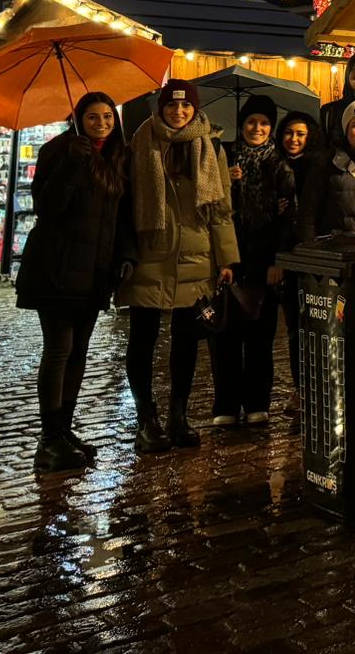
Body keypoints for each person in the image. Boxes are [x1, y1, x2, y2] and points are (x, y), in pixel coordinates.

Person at [16, 92, 135, 472]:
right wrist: (72, 165)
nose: (101, 123)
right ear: (78, 119)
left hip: (96, 271)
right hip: (57, 267)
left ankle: (64, 431)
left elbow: (122, 215)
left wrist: (124, 258)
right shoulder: (59, 151)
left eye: (107, 117)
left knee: (79, 353)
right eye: (92, 117)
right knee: (58, 351)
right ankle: (48, 440)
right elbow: (46, 207)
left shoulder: (118, 155)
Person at [120, 81, 238, 452]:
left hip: (196, 255)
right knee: (142, 339)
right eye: (172, 106)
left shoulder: (210, 146)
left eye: (186, 107)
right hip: (150, 252)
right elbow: (126, 202)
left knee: (186, 343)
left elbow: (220, 208)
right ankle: (146, 419)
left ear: (195, 109)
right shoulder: (141, 143)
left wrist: (227, 258)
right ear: (162, 108)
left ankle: (178, 416)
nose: (179, 112)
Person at [215, 95, 294, 426]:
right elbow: (215, 209)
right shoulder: (225, 158)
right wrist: (228, 183)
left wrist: (279, 259)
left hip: (265, 261)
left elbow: (289, 216)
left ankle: (258, 402)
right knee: (225, 336)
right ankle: (226, 406)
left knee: (261, 336)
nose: (257, 128)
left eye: (264, 123)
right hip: (231, 258)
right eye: (251, 122)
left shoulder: (280, 164)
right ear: (242, 125)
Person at [275, 109, 322, 420]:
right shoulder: (273, 166)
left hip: (313, 256)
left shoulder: (318, 167)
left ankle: (318, 387)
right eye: (289, 133)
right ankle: (300, 387)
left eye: (300, 134)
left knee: (316, 326)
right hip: (284, 257)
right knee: (294, 327)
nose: (293, 139)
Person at [296, 99, 355, 242]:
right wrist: (310, 246)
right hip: (336, 251)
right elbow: (308, 212)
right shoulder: (327, 163)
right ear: (346, 129)